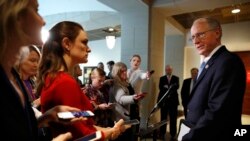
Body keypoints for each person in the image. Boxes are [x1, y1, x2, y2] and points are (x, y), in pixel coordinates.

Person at [0, 0, 86, 140]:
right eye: (36, 10)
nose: (43, 21)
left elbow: (19, 128)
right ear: (16, 16)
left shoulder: (12, 75)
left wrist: (46, 117)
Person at [36, 21, 128, 140]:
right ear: (67, 44)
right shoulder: (64, 81)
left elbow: (83, 126)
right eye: (84, 42)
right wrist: (110, 133)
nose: (88, 49)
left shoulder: (55, 78)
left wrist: (110, 130)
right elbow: (81, 134)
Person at [180, 17, 246, 141]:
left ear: (217, 33)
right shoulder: (209, 62)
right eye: (193, 37)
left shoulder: (228, 62)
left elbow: (217, 112)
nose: (196, 41)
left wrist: (188, 138)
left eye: (200, 34)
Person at [109, 62, 146, 141]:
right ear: (117, 73)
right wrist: (134, 98)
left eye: (125, 70)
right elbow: (121, 99)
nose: (125, 72)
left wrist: (136, 97)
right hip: (120, 118)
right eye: (122, 71)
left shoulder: (123, 83)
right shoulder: (116, 84)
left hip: (126, 117)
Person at [14, 45, 42, 109]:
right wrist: (38, 102)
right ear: (20, 60)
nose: (36, 65)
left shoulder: (34, 81)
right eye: (32, 60)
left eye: (38, 61)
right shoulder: (15, 83)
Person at [157, 64, 179, 140]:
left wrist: (169, 87)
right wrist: (166, 87)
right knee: (163, 118)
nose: (168, 71)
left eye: (169, 70)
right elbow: (160, 87)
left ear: (171, 70)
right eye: (166, 70)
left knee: (173, 118)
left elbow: (177, 87)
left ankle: (173, 134)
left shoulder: (176, 78)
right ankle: (162, 133)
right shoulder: (162, 78)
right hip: (164, 102)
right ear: (165, 70)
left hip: (173, 102)